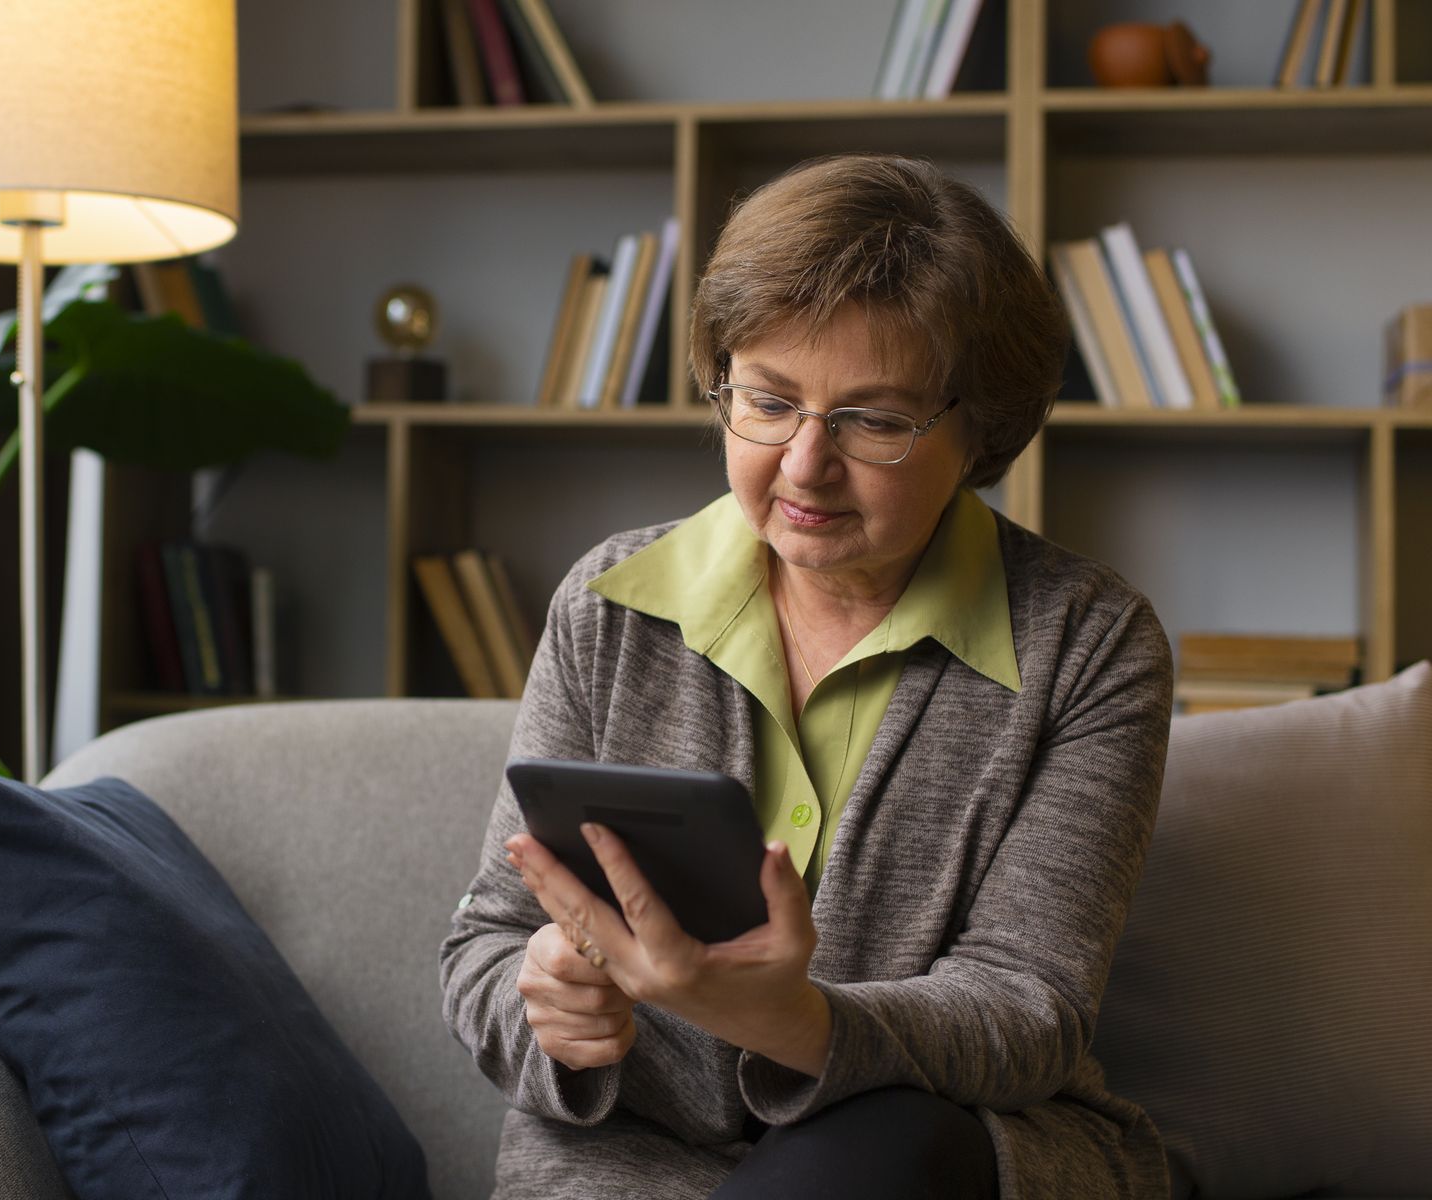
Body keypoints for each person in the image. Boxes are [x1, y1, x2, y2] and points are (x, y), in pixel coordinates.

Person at [437, 153, 1173, 1200]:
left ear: (981, 432)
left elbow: (1030, 1009)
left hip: (926, 1155)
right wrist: (545, 1005)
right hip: (622, 1165)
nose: (803, 466)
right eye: (768, 401)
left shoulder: (1089, 645)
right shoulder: (607, 606)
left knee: (881, 1151)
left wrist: (795, 1022)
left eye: (873, 419)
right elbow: (488, 941)